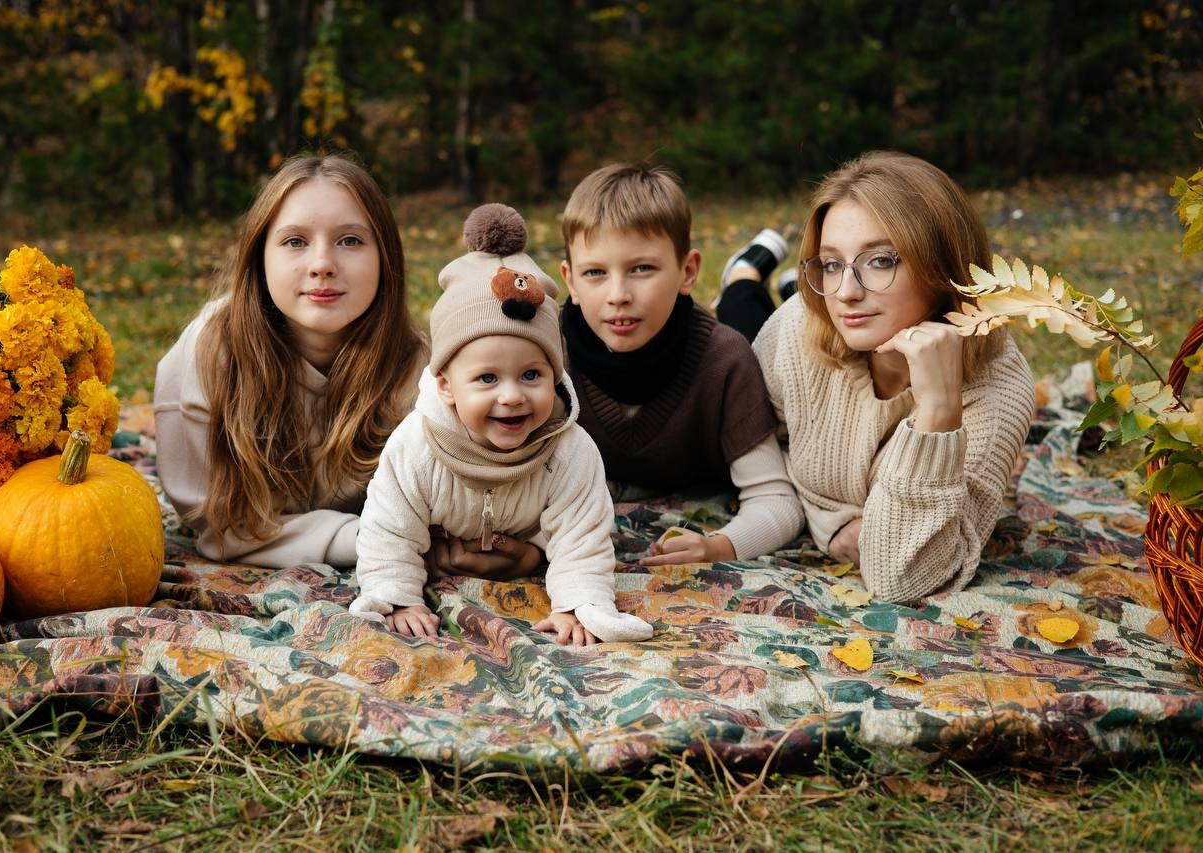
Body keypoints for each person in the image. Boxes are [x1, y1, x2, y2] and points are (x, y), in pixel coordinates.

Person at [733, 150, 1035, 603]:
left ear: (943, 268)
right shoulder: (801, 323)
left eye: (880, 261)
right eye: (830, 264)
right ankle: (743, 273)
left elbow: (899, 576)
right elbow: (752, 439)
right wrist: (829, 522)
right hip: (771, 322)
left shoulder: (998, 392)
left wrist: (938, 412)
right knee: (736, 323)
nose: (846, 293)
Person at [350, 204, 654, 646]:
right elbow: (389, 527)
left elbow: (581, 535)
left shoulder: (569, 450)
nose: (511, 396)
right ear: (446, 385)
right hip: (443, 544)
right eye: (487, 378)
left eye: (531, 375)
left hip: (528, 539)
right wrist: (396, 595)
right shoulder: (417, 446)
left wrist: (577, 603)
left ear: (555, 376)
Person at [153, 154, 428, 568]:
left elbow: (448, 507)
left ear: (385, 257)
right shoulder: (210, 355)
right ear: (260, 258)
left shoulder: (419, 371)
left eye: (350, 241)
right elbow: (223, 527)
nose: (322, 265)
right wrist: (374, 539)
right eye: (295, 241)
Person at [557, 163, 804, 566]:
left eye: (642, 269)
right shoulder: (545, 356)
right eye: (595, 272)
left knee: (762, 326)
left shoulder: (725, 361)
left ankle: (756, 279)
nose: (618, 294)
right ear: (571, 281)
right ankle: (769, 280)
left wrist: (720, 546)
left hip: (730, 340)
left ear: (687, 272)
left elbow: (776, 500)